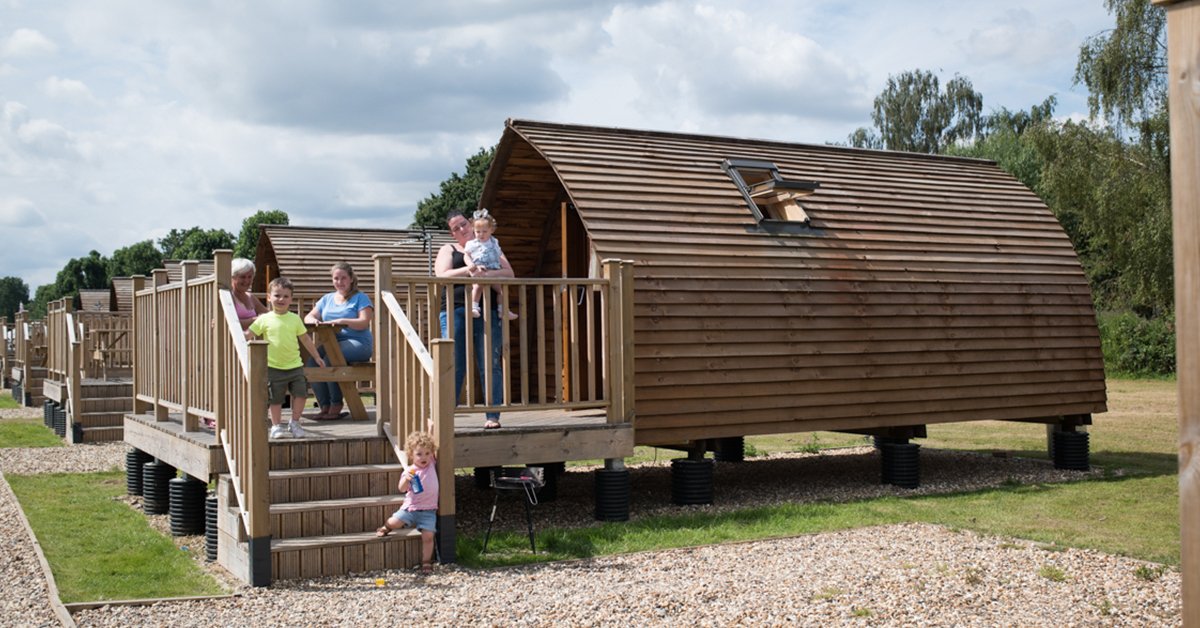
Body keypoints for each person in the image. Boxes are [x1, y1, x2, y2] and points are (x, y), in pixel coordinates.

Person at [435, 209, 511, 429]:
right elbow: (442, 275)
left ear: (472, 224)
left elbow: (509, 273)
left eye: (463, 224)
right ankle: (447, 413)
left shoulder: (490, 245)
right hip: (455, 308)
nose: (461, 230)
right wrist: (469, 270)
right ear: (452, 234)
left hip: (486, 309)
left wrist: (485, 274)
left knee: (490, 361)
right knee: (454, 362)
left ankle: (493, 415)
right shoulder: (450, 249)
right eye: (455, 228)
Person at [246, 277, 324, 439]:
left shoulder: (295, 319)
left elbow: (306, 339)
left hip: (295, 366)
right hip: (273, 366)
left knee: (301, 395)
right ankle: (276, 426)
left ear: (291, 299)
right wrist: (226, 328)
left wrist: (316, 356)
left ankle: (294, 422)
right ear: (269, 297)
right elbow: (248, 335)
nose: (281, 299)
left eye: (286, 296)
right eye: (277, 295)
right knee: (275, 399)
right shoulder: (264, 319)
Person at [303, 262, 373, 420]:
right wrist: (314, 320)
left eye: (343, 278)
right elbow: (309, 316)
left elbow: (364, 322)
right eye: (336, 278)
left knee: (330, 359)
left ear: (351, 279)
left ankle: (336, 404)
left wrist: (343, 320)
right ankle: (324, 406)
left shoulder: (360, 297)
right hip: (331, 343)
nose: (339, 282)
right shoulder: (327, 299)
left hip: (358, 343)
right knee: (313, 361)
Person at [376, 431, 438, 575]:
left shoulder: (431, 464)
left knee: (428, 537)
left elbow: (431, 444)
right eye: (419, 454)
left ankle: (426, 561)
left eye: (427, 453)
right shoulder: (410, 471)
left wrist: (431, 429)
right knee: (394, 522)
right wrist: (407, 479)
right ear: (411, 455)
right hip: (411, 508)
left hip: (429, 511)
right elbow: (401, 488)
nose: (424, 457)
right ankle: (386, 527)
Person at [463, 209, 518, 320]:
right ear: (473, 230)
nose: (481, 234)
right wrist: (470, 264)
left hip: (493, 270)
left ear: (491, 230)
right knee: (478, 286)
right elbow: (466, 255)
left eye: (484, 231)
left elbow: (498, 254)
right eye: (478, 232)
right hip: (479, 270)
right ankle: (474, 306)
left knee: (501, 290)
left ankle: (502, 310)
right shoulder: (472, 244)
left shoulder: (494, 242)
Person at [230, 258, 269, 330]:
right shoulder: (228, 297)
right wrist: (256, 320)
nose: (246, 281)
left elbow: (269, 316)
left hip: (251, 340)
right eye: (242, 277)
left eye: (250, 277)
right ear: (232, 277)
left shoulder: (250, 297)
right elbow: (229, 323)